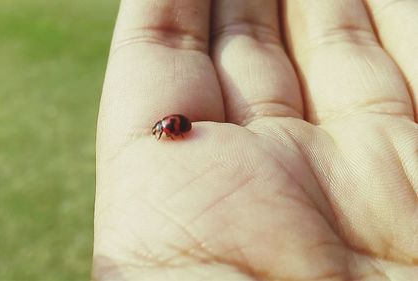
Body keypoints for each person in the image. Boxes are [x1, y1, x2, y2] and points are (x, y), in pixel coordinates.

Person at [93, 0, 418, 280]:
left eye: (163, 131)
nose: (163, 132)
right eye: (164, 131)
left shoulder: (171, 127)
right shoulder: (169, 126)